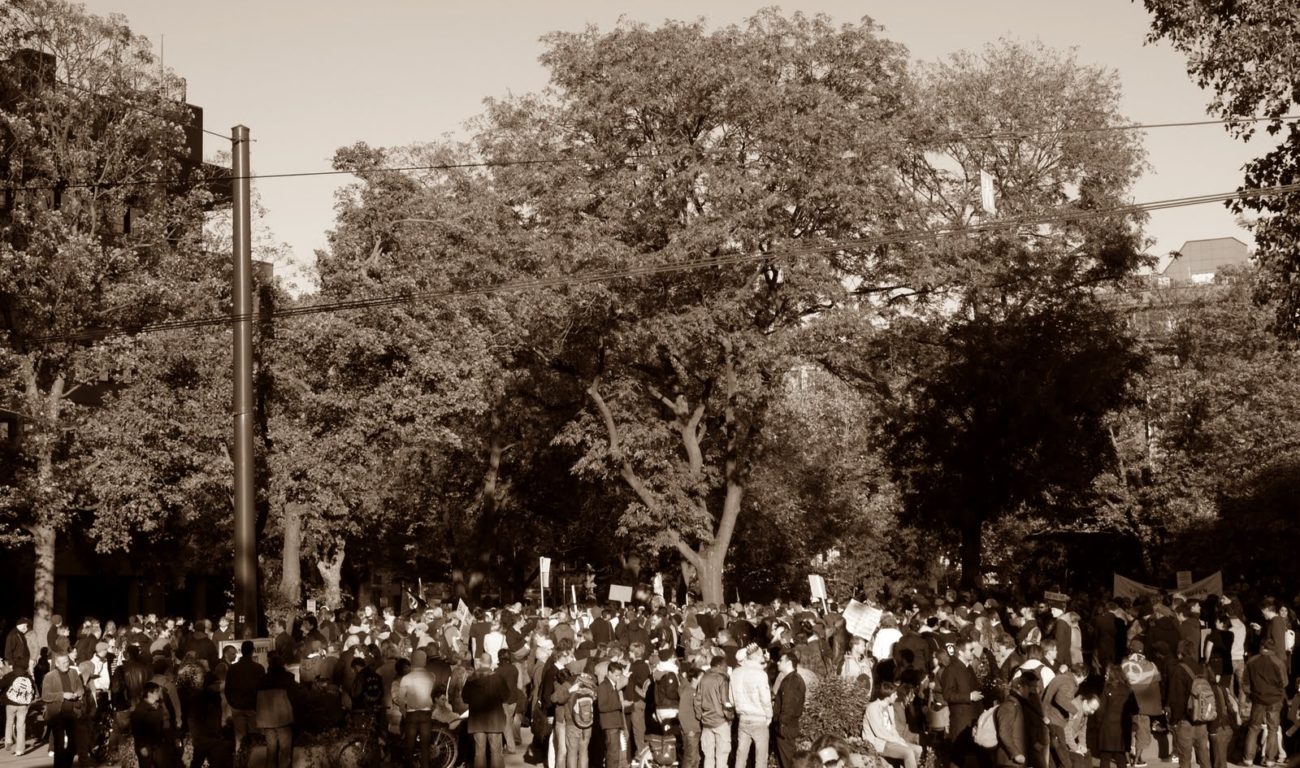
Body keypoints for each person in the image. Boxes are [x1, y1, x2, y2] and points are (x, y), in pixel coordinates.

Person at [942, 638, 987, 768]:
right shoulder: (951, 670)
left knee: (976, 752)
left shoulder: (969, 668)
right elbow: (947, 695)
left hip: (974, 716)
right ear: (961, 653)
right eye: (970, 650)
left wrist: (981, 710)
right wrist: (968, 697)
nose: (973, 652)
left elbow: (976, 692)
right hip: (961, 718)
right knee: (959, 755)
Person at [1167, 640, 1211, 768]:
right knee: (1204, 755)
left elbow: (1177, 698)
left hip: (1185, 719)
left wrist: (1174, 720)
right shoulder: (1201, 668)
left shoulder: (1178, 670)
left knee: (1185, 758)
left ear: (1179, 652)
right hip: (1202, 717)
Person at [1244, 637, 1286, 767]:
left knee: (1253, 728)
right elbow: (1284, 682)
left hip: (1257, 699)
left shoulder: (1251, 661)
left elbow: (1245, 683)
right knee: (1273, 729)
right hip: (1274, 699)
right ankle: (1269, 760)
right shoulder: (1278, 662)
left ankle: (1248, 759)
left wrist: (1251, 695)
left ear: (1261, 647)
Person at [464, 652, 509, 768]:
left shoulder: (470, 679)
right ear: (491, 663)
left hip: (477, 720)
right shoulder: (498, 678)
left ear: (480, 663)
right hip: (494, 719)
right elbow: (506, 696)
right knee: (496, 753)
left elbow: (465, 698)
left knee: (479, 753)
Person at [730, 644, 772, 768]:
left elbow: (732, 700)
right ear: (758, 657)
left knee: (741, 756)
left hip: (743, 718)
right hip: (759, 719)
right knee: (761, 759)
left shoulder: (735, 673)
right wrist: (769, 716)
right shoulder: (761, 675)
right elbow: (765, 700)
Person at [41, 651, 85, 768]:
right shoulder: (49, 676)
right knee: (59, 745)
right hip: (57, 714)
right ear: (57, 663)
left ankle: (67, 763)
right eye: (64, 662)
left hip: (72, 712)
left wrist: (78, 693)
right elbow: (45, 696)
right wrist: (62, 695)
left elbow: (80, 688)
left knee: (74, 743)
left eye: (67, 661)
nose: (67, 664)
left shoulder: (74, 672)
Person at [864, 681, 924, 768]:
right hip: (879, 743)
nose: (896, 696)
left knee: (918, 749)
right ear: (887, 696)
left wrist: (899, 739)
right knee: (908, 752)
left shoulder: (889, 707)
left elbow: (892, 728)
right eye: (894, 694)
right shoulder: (873, 708)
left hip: (890, 741)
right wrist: (897, 741)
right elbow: (879, 733)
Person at [256, 652, 300, 768]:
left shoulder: (262, 680)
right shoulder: (288, 678)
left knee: (271, 751)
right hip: (283, 718)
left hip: (267, 720)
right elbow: (295, 696)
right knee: (285, 752)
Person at [223, 639, 265, 753]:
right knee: (255, 739)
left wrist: (233, 704)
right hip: (253, 707)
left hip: (237, 707)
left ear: (241, 651)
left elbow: (228, 689)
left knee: (240, 739)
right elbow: (262, 689)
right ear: (252, 651)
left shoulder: (233, 668)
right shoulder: (259, 668)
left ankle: (240, 762)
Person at [398, 649, 437, 768]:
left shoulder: (406, 678)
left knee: (409, 745)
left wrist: (403, 711)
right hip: (426, 713)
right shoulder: (431, 676)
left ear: (412, 660)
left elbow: (400, 700)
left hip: (411, 714)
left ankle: (411, 765)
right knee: (425, 746)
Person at [1096, 665, 1136, 768]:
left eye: (1107, 674)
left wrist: (1098, 723)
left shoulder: (1107, 688)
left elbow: (1101, 710)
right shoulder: (1128, 689)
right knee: (1120, 756)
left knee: (1105, 756)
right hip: (1123, 726)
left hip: (1107, 725)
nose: (1105, 675)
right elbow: (1135, 709)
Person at [696, 655, 731, 768]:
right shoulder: (723, 679)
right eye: (725, 665)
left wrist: (700, 715)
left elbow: (697, 700)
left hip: (706, 722)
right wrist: (730, 717)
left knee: (708, 757)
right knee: (722, 756)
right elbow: (726, 702)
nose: (727, 667)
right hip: (721, 721)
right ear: (719, 665)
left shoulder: (704, 678)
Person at [774, 653, 806, 768]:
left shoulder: (792, 681)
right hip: (787, 726)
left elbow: (789, 706)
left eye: (780, 660)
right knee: (785, 759)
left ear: (788, 663)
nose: (778, 662)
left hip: (786, 727)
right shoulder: (790, 679)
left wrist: (781, 724)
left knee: (787, 761)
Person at [131, 682, 171, 768]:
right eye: (157, 691)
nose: (159, 693)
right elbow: (136, 730)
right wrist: (142, 747)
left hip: (157, 744)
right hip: (146, 746)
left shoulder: (158, 706)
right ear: (149, 694)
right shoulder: (140, 710)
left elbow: (164, 721)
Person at [1, 658, 35, 756]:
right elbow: (33, 691)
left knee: (9, 722)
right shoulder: (28, 677)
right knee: (21, 727)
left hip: (10, 703)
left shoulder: (9, 676)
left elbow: (1, 685)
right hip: (23, 705)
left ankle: (8, 740)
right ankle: (20, 750)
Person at [598, 661, 628, 768]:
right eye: (616, 675)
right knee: (612, 754)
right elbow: (601, 706)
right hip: (610, 725)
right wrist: (619, 705)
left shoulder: (612, 685)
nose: (618, 678)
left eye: (620, 675)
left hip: (614, 724)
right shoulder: (603, 686)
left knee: (614, 754)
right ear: (609, 673)